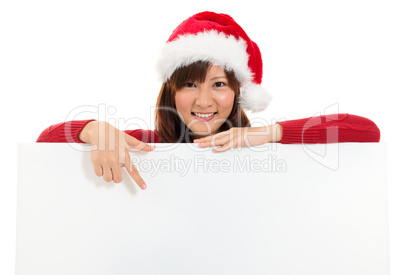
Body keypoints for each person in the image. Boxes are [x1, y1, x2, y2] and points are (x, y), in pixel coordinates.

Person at [36, 11, 380, 189]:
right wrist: (96, 129)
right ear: (172, 91)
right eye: (188, 84)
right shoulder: (144, 146)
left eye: (218, 84)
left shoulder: (265, 150)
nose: (203, 100)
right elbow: (43, 144)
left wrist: (264, 134)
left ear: (237, 93)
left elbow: (366, 131)